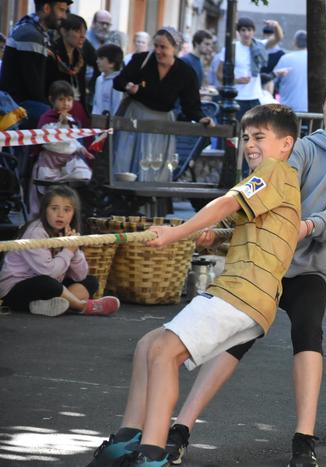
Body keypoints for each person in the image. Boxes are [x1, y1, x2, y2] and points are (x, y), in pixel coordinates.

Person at [160, 75, 326, 467]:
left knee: (308, 331)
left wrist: (305, 226)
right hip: (265, 260)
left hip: (312, 264)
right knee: (235, 339)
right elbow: (260, 189)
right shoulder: (301, 147)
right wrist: (223, 231)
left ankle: (304, 440)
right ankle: (180, 430)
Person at [87, 104, 301, 467]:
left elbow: (227, 203)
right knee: (148, 345)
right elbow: (250, 231)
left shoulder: (275, 171)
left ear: (285, 144)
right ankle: (128, 438)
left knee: (164, 352)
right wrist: (212, 239)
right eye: (246, 137)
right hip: (241, 291)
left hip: (243, 292)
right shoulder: (273, 182)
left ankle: (151, 454)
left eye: (260, 137)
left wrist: (177, 232)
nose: (250, 144)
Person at [0, 185, 120, 317]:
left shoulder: (65, 232)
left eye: (67, 210)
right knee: (47, 283)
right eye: (54, 208)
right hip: (15, 291)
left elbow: (80, 275)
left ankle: (54, 305)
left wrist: (74, 250)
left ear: (74, 213)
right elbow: (48, 273)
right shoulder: (36, 232)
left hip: (51, 283)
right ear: (45, 210)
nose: (60, 214)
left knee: (90, 281)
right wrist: (68, 250)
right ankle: (81, 306)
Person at [112, 27, 213, 176]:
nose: (158, 51)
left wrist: (201, 117)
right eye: (156, 46)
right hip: (135, 118)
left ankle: (153, 198)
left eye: (163, 47)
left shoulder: (185, 72)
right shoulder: (141, 60)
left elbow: (191, 105)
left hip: (163, 123)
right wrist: (127, 85)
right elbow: (119, 81)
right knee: (128, 167)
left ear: (175, 48)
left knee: (155, 170)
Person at [0, 0, 71, 129]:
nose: (64, 16)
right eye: (61, 10)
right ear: (46, 8)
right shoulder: (32, 35)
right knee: (56, 123)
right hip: (17, 107)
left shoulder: (33, 30)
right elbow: (34, 87)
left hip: (18, 104)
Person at [29, 80, 94, 215]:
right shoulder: (47, 119)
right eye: (61, 99)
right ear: (52, 100)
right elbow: (50, 141)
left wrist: (81, 149)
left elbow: (73, 140)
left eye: (69, 100)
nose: (66, 103)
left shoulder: (73, 120)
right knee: (47, 193)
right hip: (50, 160)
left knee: (81, 178)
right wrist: (61, 125)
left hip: (68, 161)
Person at [215, 17, 283, 120]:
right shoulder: (231, 48)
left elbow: (278, 38)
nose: (246, 33)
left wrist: (276, 26)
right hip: (236, 98)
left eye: (249, 30)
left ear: (254, 31)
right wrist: (236, 81)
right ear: (238, 32)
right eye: (243, 30)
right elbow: (219, 74)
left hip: (255, 97)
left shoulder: (259, 46)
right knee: (236, 133)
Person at [46, 13, 89, 110]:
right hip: (57, 107)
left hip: (77, 106)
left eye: (84, 32)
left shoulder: (80, 57)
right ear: (63, 31)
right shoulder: (52, 55)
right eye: (78, 31)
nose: (82, 36)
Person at [92, 43, 123, 116]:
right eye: (97, 58)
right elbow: (96, 103)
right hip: (98, 121)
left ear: (112, 63)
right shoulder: (99, 79)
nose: (97, 61)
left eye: (101, 58)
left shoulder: (118, 81)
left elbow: (117, 106)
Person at [259, 23, 285, 95]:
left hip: (273, 89)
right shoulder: (259, 50)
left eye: (270, 35)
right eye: (266, 35)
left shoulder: (281, 55)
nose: (268, 37)